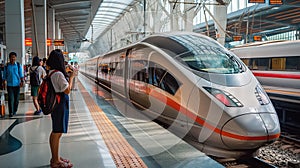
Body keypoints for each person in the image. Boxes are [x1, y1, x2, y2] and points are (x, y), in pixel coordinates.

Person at [46, 50, 74, 168]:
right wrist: (71, 77)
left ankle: (55, 157)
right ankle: (56, 162)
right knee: (57, 132)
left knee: (57, 131)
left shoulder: (52, 72)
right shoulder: (58, 74)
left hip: (57, 104)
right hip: (60, 104)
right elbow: (67, 90)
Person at [2, 52, 24, 117]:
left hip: (17, 84)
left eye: (14, 57)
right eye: (11, 57)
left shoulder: (18, 65)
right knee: (11, 99)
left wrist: (22, 81)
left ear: (15, 58)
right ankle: (11, 112)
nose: (12, 58)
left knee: (16, 100)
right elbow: (4, 76)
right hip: (10, 85)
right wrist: (4, 83)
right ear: (9, 58)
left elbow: (21, 74)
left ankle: (15, 110)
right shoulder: (6, 66)